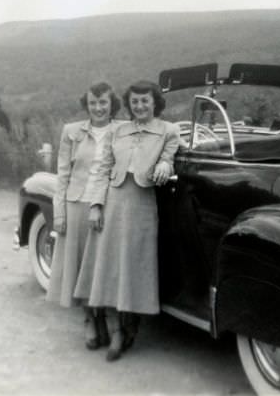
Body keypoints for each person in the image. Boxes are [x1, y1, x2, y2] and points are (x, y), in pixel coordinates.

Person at [74, 80, 181, 361]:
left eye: (145, 100)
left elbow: (169, 156)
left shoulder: (168, 130)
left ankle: (126, 329)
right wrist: (96, 205)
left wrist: (163, 165)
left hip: (142, 205)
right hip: (113, 202)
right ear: (129, 104)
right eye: (134, 101)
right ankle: (110, 325)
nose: (140, 106)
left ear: (155, 101)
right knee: (109, 267)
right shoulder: (118, 131)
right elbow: (103, 170)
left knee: (132, 268)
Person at [47, 81, 122, 350]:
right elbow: (63, 174)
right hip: (76, 204)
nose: (98, 108)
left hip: (108, 206)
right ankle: (90, 320)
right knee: (80, 267)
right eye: (93, 103)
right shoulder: (71, 132)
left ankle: (110, 320)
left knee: (104, 267)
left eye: (103, 102)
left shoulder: (123, 131)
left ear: (112, 104)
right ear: (86, 105)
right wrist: (59, 214)